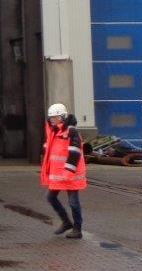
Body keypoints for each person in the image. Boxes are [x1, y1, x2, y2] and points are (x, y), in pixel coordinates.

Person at [40, 102, 86, 239]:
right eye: (51, 118)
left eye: (55, 117)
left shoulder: (71, 132)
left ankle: (77, 229)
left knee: (73, 202)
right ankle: (66, 222)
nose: (52, 120)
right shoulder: (54, 132)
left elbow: (75, 152)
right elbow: (49, 151)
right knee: (50, 197)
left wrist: (68, 172)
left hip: (70, 175)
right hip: (59, 174)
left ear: (62, 117)